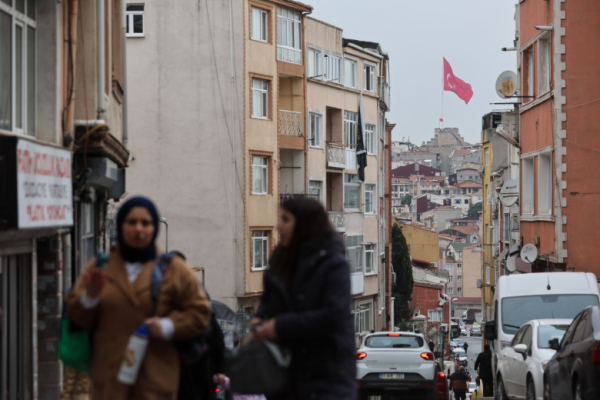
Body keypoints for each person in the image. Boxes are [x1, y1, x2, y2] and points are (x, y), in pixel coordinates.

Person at [66, 196, 212, 400]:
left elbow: (201, 312)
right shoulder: (101, 266)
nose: (138, 229)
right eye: (131, 222)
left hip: (155, 384)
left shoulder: (173, 269)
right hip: (109, 383)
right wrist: (90, 297)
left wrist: (167, 326)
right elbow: (76, 317)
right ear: (120, 225)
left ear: (154, 228)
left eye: (146, 223)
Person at [251, 197, 356, 400]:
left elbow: (333, 316)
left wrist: (279, 326)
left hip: (325, 379)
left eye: (285, 219)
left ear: (304, 224)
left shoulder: (333, 263)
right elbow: (270, 298)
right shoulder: (280, 258)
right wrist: (261, 318)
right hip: (285, 376)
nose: (278, 226)